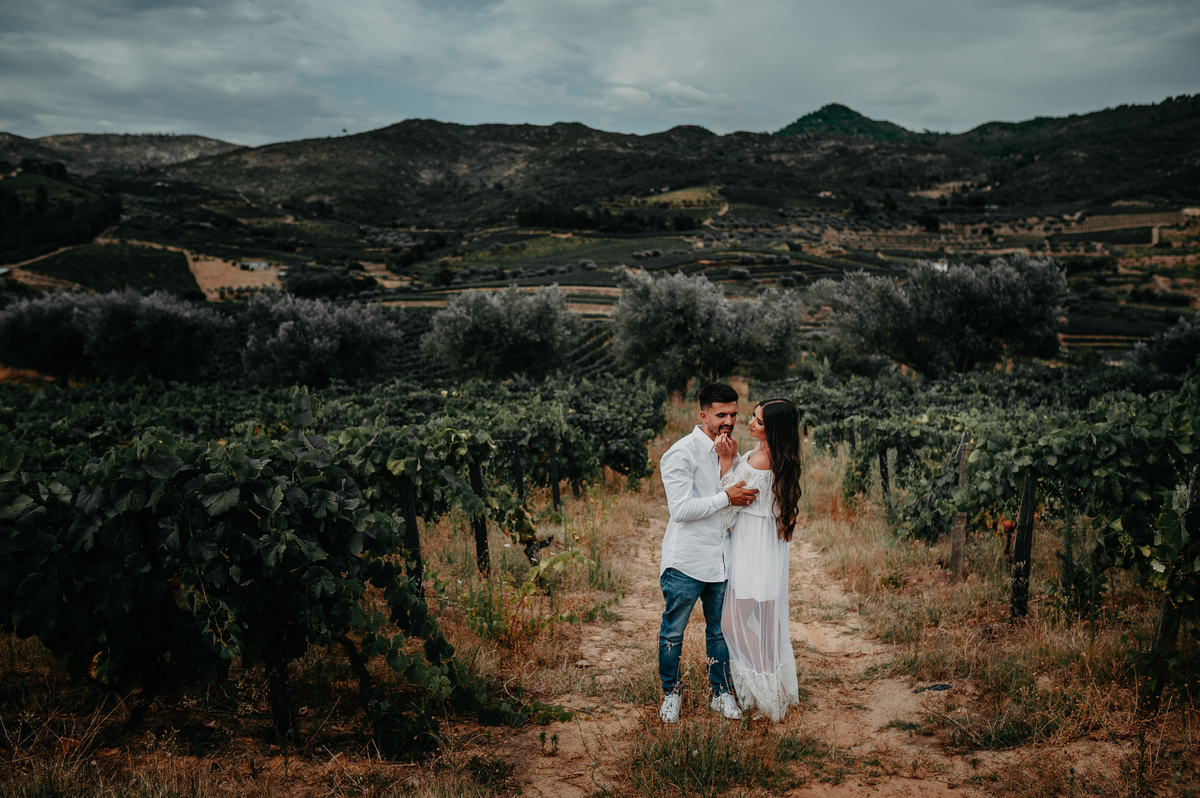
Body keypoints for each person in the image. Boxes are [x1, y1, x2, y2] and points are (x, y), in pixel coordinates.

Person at [657, 382, 760, 723]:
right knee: (674, 631)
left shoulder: (730, 450)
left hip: (722, 559)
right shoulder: (680, 453)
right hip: (686, 559)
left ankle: (721, 693)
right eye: (721, 415)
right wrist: (726, 497)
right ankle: (671, 694)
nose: (728, 421)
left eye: (733, 414)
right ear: (704, 415)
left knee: (720, 632)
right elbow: (682, 509)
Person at [717, 397, 802, 722]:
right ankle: (775, 692)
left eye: (759, 421)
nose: (751, 423)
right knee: (765, 626)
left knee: (733, 623)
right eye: (752, 417)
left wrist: (727, 462)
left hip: (754, 548)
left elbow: (729, 503)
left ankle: (766, 692)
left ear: (774, 430)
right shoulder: (764, 454)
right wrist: (738, 456)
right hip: (762, 546)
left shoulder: (763, 460)